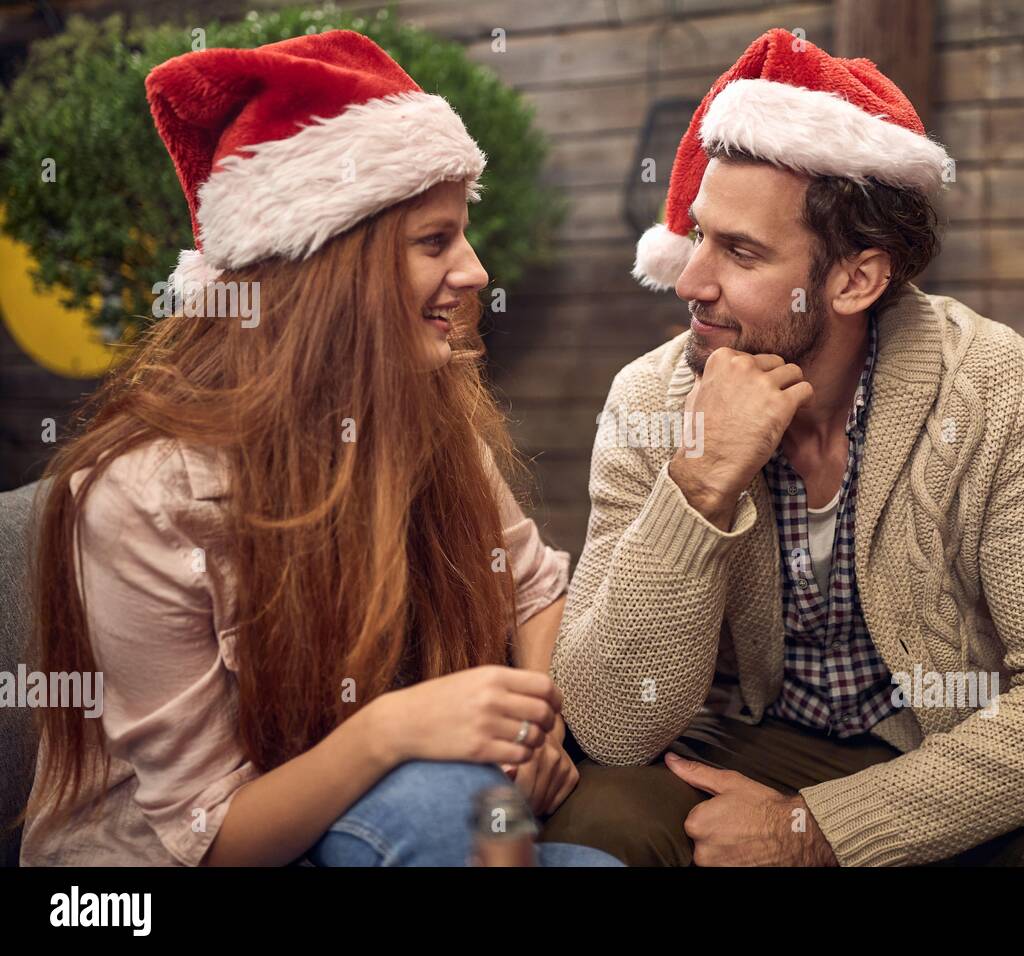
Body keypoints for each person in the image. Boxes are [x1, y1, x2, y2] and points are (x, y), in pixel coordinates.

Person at [541, 28, 1024, 867]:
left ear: (855, 280)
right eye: (697, 236)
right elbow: (611, 723)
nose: (690, 280)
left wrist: (825, 829)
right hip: (750, 745)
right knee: (598, 823)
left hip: (964, 748)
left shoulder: (986, 382)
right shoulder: (652, 399)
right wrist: (701, 482)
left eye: (740, 251)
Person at [16, 30, 619, 868]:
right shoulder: (148, 493)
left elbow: (534, 590)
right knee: (445, 801)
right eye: (435, 241)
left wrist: (532, 726)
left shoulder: (424, 417)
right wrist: (390, 731)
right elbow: (209, 834)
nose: (477, 271)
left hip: (380, 820)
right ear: (329, 272)